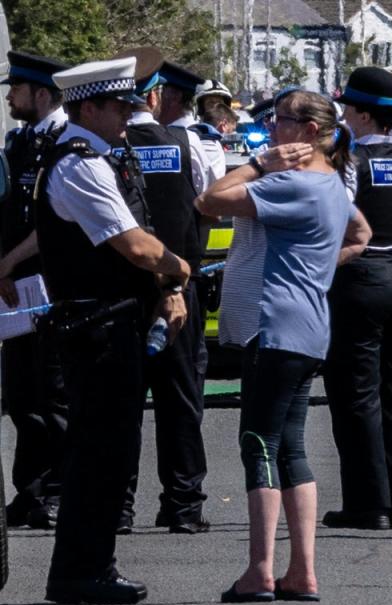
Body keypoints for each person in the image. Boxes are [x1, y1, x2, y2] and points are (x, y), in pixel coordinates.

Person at [195, 89, 371, 602]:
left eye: (282, 121)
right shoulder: (331, 184)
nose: (273, 129)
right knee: (290, 449)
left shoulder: (295, 182)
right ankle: (302, 571)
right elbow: (361, 232)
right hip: (307, 326)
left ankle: (261, 569)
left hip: (274, 326)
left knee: (260, 445)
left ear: (310, 132)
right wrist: (316, 273)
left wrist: (257, 162)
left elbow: (206, 200)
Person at [37, 57, 192, 605]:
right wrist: (179, 270)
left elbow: (141, 228)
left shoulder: (106, 156)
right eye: (119, 107)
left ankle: (91, 563)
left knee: (111, 446)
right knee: (100, 449)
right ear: (88, 107)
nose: (129, 116)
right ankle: (82, 569)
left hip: (117, 317)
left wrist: (165, 290)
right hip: (95, 324)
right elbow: (135, 244)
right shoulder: (79, 164)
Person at [322, 67, 392, 531]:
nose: (344, 115)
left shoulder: (347, 163)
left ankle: (368, 502)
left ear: (362, 114)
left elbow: (338, 226)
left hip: (362, 275)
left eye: (347, 108)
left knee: (355, 393)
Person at [117, 47, 211, 535]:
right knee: (180, 399)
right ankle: (183, 506)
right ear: (155, 96)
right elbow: (208, 202)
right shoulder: (186, 142)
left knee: (123, 403)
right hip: (177, 283)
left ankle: (120, 508)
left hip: (122, 290)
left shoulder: (105, 146)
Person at [0, 51, 70, 531]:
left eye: (16, 89)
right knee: (22, 395)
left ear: (41, 94)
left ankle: (59, 492)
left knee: (55, 396)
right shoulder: (21, 141)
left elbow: (52, 222)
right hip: (15, 288)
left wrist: (6, 262)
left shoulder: (63, 143)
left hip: (50, 282)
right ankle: (29, 490)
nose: (8, 97)